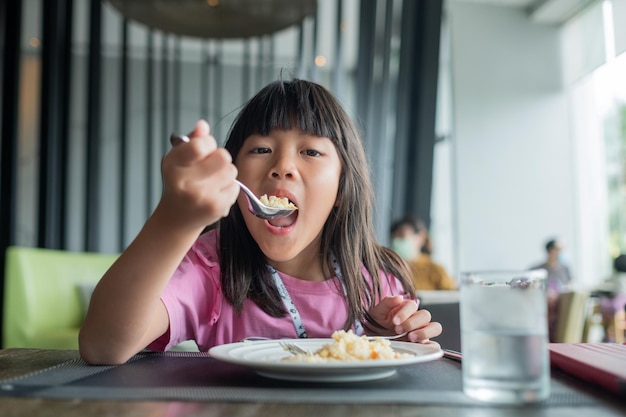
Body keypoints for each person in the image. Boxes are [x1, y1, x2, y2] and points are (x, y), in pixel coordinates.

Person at [78, 79, 442, 365]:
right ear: (234, 174)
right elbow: (102, 346)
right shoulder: (211, 268)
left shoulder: (377, 281)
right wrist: (174, 220)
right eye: (261, 149)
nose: (282, 166)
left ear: (343, 183)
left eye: (311, 151)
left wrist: (390, 336)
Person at [389, 216, 456, 291]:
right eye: (394, 237)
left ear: (421, 237)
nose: (397, 241)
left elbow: (452, 297)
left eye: (402, 236)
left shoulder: (435, 270)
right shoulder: (389, 268)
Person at [531, 238, 572, 342]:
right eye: (558, 249)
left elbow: (569, 285)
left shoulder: (565, 269)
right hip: (544, 307)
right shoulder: (537, 270)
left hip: (561, 304)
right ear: (550, 250)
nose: (561, 252)